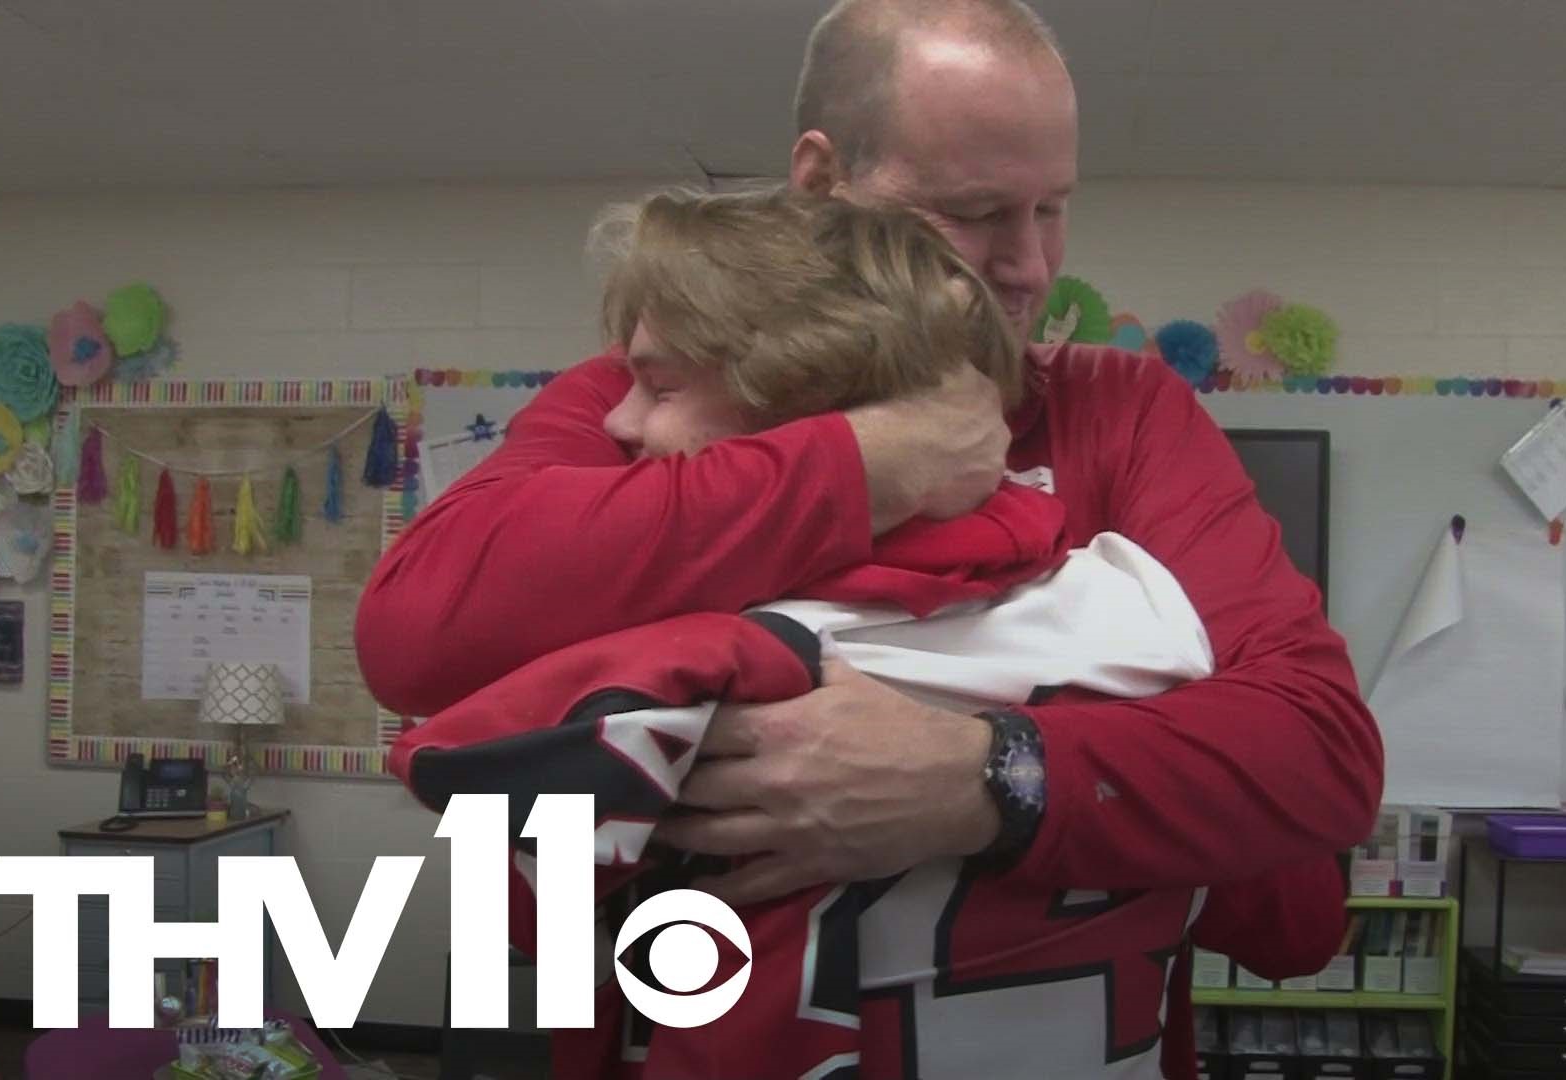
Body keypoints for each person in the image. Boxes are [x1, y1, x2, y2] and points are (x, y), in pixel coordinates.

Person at [357, 0, 1383, 1073]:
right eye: (974, 210)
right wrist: (873, 459)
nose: (1029, 264)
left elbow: (1313, 784)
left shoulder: (1117, 410)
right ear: (820, 183)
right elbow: (412, 634)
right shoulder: (657, 396)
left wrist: (981, 779)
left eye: (1053, 207)